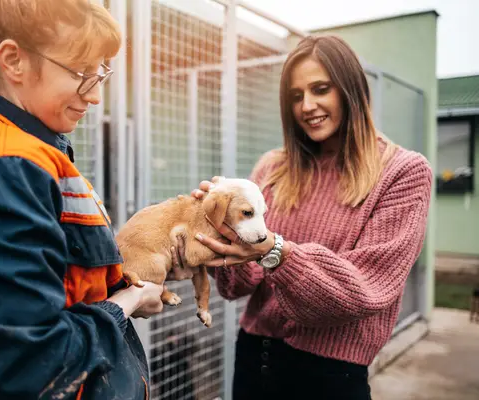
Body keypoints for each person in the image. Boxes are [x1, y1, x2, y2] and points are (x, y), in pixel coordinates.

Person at [0, 1, 164, 399]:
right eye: (81, 73)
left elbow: (64, 285)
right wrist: (125, 303)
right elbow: (30, 366)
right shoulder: (5, 168)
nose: (94, 97)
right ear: (14, 61)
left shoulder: (31, 153)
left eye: (100, 74)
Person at [182, 35, 433, 399]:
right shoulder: (273, 167)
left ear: (351, 90)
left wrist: (276, 252)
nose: (307, 106)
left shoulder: (402, 171)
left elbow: (365, 289)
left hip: (330, 376)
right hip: (255, 357)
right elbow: (237, 286)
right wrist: (224, 229)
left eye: (320, 89)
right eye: (296, 96)